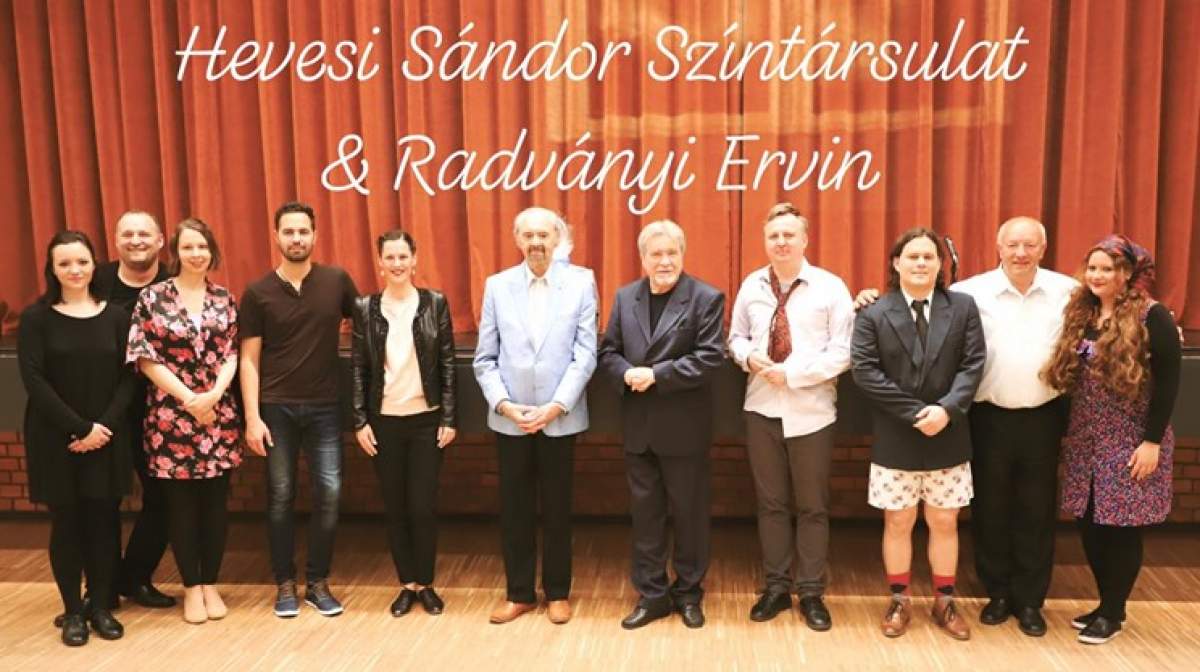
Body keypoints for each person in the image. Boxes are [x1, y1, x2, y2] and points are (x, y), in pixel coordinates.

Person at [1042, 235, 1180, 645]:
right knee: (1090, 524)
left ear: (1127, 274)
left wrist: (1151, 441)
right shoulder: (1082, 313)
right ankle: (1105, 604)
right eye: (1093, 268)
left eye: (1108, 269)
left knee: (1121, 527)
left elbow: (1169, 383)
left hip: (1130, 438)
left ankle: (1114, 612)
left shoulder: (1152, 316)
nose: (1097, 275)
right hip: (1087, 438)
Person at [850, 227, 985, 641]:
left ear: (940, 264)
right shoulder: (873, 312)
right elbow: (864, 371)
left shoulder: (962, 307)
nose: (921, 263)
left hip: (948, 431)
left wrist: (946, 410)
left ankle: (945, 600)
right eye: (913, 256)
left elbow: (973, 364)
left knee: (944, 520)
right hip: (897, 433)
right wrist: (915, 414)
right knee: (898, 520)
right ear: (896, 263)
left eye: (929, 256)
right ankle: (900, 600)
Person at [946, 217, 1076, 636]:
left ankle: (1030, 600)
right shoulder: (969, 292)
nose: (1021, 253)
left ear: (1043, 248)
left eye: (1029, 245)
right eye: (1013, 245)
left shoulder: (1068, 292)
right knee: (991, 507)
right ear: (998, 247)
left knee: (1037, 510)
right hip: (988, 416)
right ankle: (998, 593)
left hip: (1044, 416)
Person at [727, 203, 854, 629]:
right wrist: (748, 357)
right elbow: (736, 337)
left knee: (813, 506)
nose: (781, 242)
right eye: (773, 236)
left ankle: (812, 592)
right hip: (761, 408)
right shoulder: (752, 285)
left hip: (811, 412)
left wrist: (794, 375)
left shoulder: (830, 287)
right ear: (765, 241)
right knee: (771, 505)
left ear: (804, 240)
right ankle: (777, 587)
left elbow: (844, 352)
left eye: (788, 235)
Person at [598, 220, 726, 630]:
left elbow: (710, 357)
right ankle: (652, 595)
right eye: (656, 254)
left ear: (682, 254)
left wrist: (656, 374)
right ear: (643, 258)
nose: (664, 261)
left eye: (672, 253)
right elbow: (608, 351)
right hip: (639, 427)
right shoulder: (625, 297)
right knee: (646, 517)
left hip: (684, 428)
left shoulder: (706, 297)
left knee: (689, 516)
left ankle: (688, 593)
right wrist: (625, 373)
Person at [473, 206, 597, 625]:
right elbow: (485, 358)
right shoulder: (497, 286)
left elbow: (585, 354)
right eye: (528, 236)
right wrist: (505, 406)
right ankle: (519, 594)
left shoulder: (581, 282)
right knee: (515, 510)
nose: (536, 242)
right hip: (511, 419)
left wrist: (555, 406)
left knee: (558, 509)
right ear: (517, 240)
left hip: (559, 417)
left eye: (544, 235)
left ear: (557, 239)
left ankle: (558, 593)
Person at [239, 201, 358, 618]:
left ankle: (318, 583)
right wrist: (252, 417)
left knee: (330, 493)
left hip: (325, 406)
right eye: (288, 232)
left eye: (303, 231)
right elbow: (248, 359)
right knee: (280, 496)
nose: (296, 238)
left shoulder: (336, 281)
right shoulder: (257, 292)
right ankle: (285, 584)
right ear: (276, 236)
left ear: (315, 235)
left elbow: (369, 325)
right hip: (276, 409)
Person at [19, 231, 136, 645]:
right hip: (56, 438)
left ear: (93, 265)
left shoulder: (117, 317)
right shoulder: (36, 318)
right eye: (65, 263)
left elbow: (129, 377)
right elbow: (34, 379)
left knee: (104, 523)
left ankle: (100, 606)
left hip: (106, 436)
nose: (75, 270)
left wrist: (101, 427)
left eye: (82, 262)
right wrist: (79, 427)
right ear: (52, 269)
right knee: (67, 524)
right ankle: (72, 611)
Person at [126, 218, 242, 624]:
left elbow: (233, 353)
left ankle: (210, 583)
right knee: (181, 508)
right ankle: (191, 586)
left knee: (215, 506)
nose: (196, 254)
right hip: (170, 418)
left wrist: (214, 394)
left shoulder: (224, 298)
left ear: (212, 252)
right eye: (189, 247)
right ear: (176, 252)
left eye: (203, 247)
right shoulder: (153, 297)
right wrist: (189, 398)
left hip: (217, 416)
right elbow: (144, 356)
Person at [351, 230, 457, 617]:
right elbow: (359, 368)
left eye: (403, 257)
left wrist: (449, 416)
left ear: (415, 260)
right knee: (395, 507)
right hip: (384, 423)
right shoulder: (365, 307)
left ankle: (426, 583)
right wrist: (360, 420)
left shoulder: (435, 303)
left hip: (426, 422)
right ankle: (407, 584)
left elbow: (447, 363)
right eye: (389, 258)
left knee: (423, 507)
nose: (397, 264)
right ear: (380, 263)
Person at [92, 211, 176, 611]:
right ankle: (102, 588)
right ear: (115, 239)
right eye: (128, 234)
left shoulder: (174, 285)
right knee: (102, 499)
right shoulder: (95, 281)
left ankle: (135, 577)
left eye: (144, 234)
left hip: (159, 409)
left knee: (163, 497)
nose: (136, 240)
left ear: (160, 241)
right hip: (104, 407)